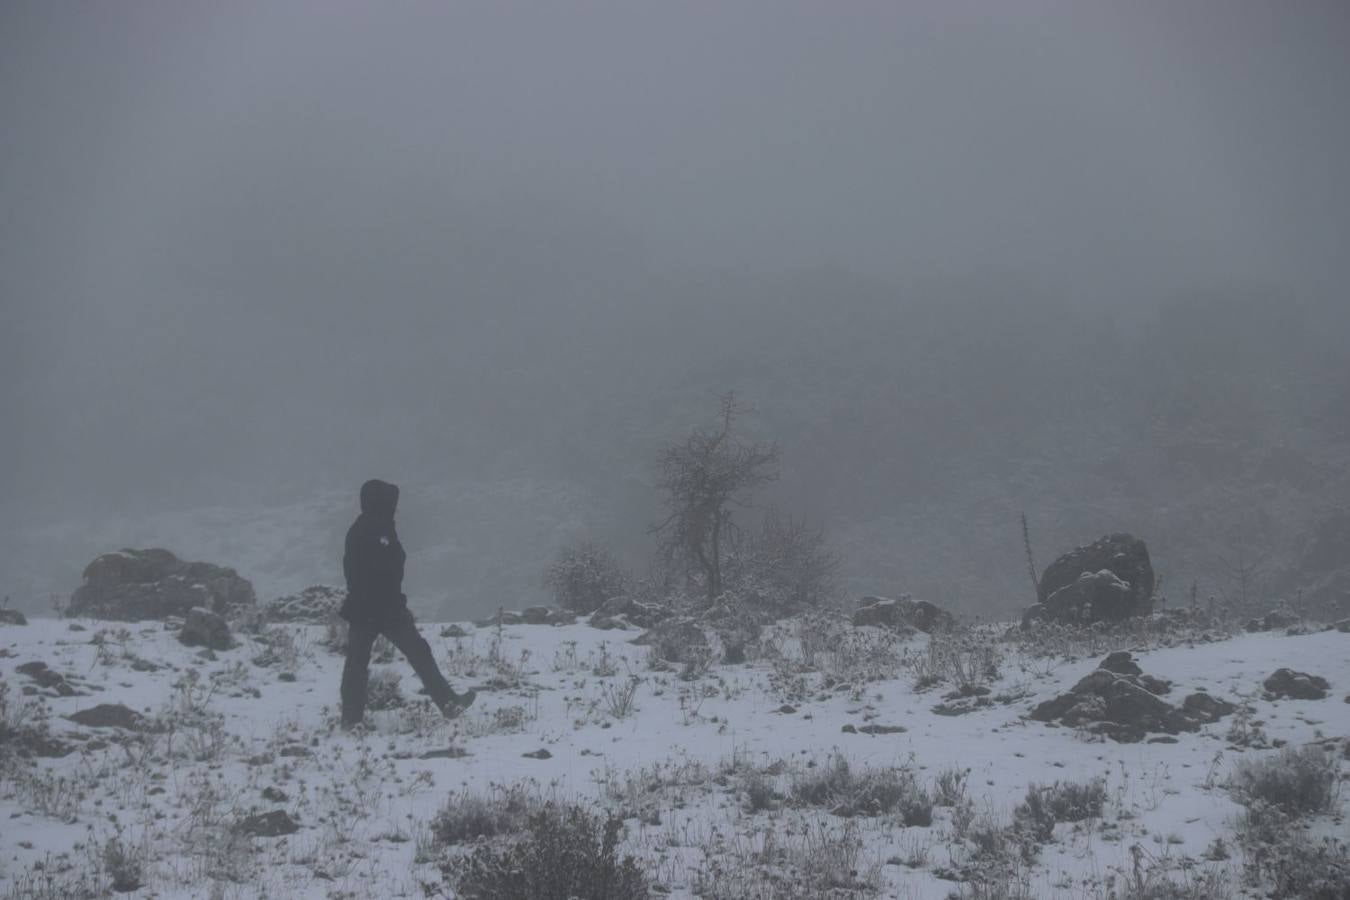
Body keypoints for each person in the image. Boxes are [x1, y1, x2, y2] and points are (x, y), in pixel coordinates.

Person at [339, 478, 474, 729]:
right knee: (418, 654)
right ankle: (448, 704)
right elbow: (384, 570)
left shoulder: (364, 528)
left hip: (365, 608)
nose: (396, 507)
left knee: (357, 663)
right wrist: (389, 600)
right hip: (384, 609)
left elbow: (354, 570)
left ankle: (351, 718)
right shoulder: (378, 529)